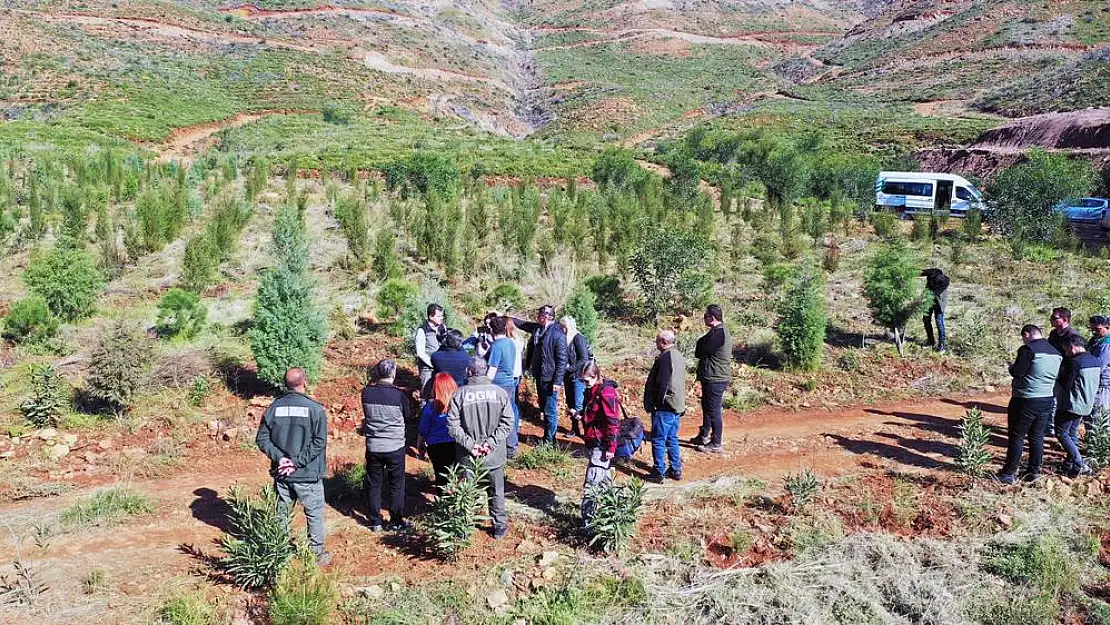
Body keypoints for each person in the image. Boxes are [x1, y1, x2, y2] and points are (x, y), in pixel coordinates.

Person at [255, 368, 331, 565]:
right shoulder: (315, 409)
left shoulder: (274, 408)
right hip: (307, 473)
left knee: (282, 513)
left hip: (283, 475)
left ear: (285, 383)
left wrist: (281, 459)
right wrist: (296, 462)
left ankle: (281, 552)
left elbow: (262, 438)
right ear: (304, 381)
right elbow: (319, 442)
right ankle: (316, 555)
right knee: (313, 513)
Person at [446, 357, 515, 539]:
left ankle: (465, 528)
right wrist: (491, 443)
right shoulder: (500, 393)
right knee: (496, 491)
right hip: (494, 455)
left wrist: (471, 445)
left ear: (469, 372)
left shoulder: (459, 394)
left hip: (468, 456)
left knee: (467, 490)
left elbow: (452, 425)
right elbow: (508, 422)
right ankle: (499, 526)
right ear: (485, 371)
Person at [999, 325, 1063, 485]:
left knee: (1017, 436)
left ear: (1027, 334)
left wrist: (1011, 367)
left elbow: (1018, 372)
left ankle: (1008, 473)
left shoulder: (1027, 349)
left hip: (1026, 398)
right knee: (1037, 436)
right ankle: (1033, 472)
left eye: (1023, 337)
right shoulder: (1056, 352)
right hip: (1047, 398)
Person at [360, 359, 412, 531]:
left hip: (374, 445)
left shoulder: (366, 393)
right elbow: (408, 415)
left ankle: (375, 521)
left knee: (374, 484)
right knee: (396, 484)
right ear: (394, 373)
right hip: (395, 446)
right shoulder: (399, 396)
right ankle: (396, 521)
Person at [512, 305, 568, 444]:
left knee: (550, 410)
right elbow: (523, 324)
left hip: (550, 379)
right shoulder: (538, 329)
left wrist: (557, 382)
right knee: (544, 406)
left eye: (540, 315)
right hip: (540, 375)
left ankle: (550, 440)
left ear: (547, 316)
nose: (537, 317)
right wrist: (505, 317)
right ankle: (547, 437)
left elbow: (562, 360)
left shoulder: (557, 334)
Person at [579, 362, 621, 526]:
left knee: (592, 483)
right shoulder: (592, 391)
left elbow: (612, 421)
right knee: (606, 481)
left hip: (601, 444)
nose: (585, 384)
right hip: (594, 441)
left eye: (587, 380)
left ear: (595, 377)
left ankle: (588, 523)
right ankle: (616, 513)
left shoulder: (606, 393)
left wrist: (611, 447)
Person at [1054, 334, 1099, 477]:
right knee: (1072, 432)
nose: (1066, 353)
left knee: (1061, 433)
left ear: (1072, 347)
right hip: (1086, 403)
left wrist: (1059, 373)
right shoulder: (1094, 360)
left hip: (1071, 403)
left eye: (1066, 349)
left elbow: (1066, 384)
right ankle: (1071, 463)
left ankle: (1079, 463)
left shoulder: (1074, 362)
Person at [645, 330, 686, 482]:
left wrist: (656, 404)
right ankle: (676, 470)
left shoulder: (665, 358)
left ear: (663, 342)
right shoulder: (678, 355)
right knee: (672, 438)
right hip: (677, 405)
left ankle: (658, 472)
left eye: (657, 341)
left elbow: (662, 383)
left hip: (665, 406)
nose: (656, 343)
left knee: (658, 439)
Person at [691, 304, 732, 453]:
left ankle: (716, 442)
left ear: (712, 318)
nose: (704, 319)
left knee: (713, 410)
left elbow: (700, 350)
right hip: (712, 376)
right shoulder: (717, 332)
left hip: (716, 378)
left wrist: (701, 343)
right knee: (708, 408)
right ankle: (704, 435)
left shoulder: (719, 334)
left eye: (705, 316)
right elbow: (701, 347)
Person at [485, 316, 521, 457]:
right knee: (508, 415)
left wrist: (484, 384)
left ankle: (496, 447)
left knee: (494, 417)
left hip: (497, 386)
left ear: (492, 330)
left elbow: (492, 370)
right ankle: (512, 447)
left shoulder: (497, 345)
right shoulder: (511, 343)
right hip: (509, 384)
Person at [417, 373, 458, 488]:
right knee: (458, 474)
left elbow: (423, 429)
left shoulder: (430, 407)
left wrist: (419, 443)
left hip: (436, 447)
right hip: (456, 444)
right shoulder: (458, 405)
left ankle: (443, 501)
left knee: (441, 476)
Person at [560, 316, 592, 438]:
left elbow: (583, 359)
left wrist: (569, 368)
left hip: (579, 376)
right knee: (571, 403)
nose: (562, 330)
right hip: (569, 376)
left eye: (563, 327)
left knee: (580, 405)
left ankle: (588, 431)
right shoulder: (566, 339)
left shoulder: (578, 338)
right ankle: (575, 429)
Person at [414, 304, 446, 390]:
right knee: (426, 392)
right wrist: (433, 364)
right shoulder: (422, 330)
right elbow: (420, 353)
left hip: (441, 367)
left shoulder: (443, 327)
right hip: (427, 369)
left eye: (442, 315)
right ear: (431, 316)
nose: (441, 318)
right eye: (439, 316)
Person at [920, 268, 949, 353]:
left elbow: (937, 292)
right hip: (929, 298)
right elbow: (920, 273)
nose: (930, 278)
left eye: (932, 277)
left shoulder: (945, 281)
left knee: (939, 321)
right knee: (926, 319)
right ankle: (930, 341)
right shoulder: (931, 273)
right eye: (930, 276)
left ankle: (942, 345)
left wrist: (928, 296)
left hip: (939, 301)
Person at [1087, 315, 1110, 414]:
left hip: (1103, 384)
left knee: (1099, 413)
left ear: (1107, 328)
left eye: (1097, 329)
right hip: (1092, 381)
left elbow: (1100, 365)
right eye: (1092, 329)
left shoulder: (1107, 343)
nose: (1094, 332)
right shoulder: (1094, 340)